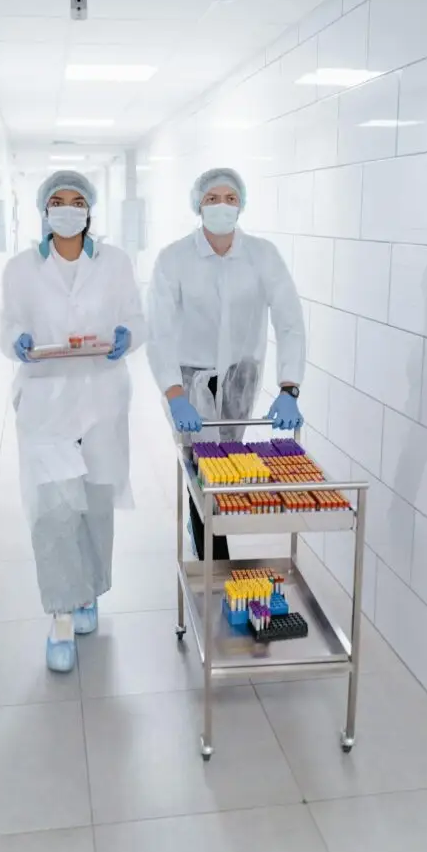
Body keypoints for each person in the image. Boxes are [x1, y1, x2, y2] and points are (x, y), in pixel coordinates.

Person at [0, 170, 145, 672]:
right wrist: (15, 339)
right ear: (43, 211)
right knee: (54, 511)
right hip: (45, 403)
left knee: (95, 505)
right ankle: (60, 616)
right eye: (56, 201)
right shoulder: (20, 269)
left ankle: (88, 593)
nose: (66, 209)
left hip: (102, 400)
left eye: (75, 201)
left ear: (89, 210)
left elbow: (137, 318)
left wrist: (128, 336)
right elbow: (7, 322)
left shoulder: (116, 263)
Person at [147, 167, 305, 560]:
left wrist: (290, 388)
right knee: (201, 468)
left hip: (240, 377)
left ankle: (209, 542)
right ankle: (215, 563)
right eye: (212, 199)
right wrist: (174, 394)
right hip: (189, 379)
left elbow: (290, 322)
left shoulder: (262, 255)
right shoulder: (174, 258)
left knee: (229, 464)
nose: (222, 206)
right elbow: (159, 332)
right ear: (198, 205)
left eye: (230, 199)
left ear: (242, 205)